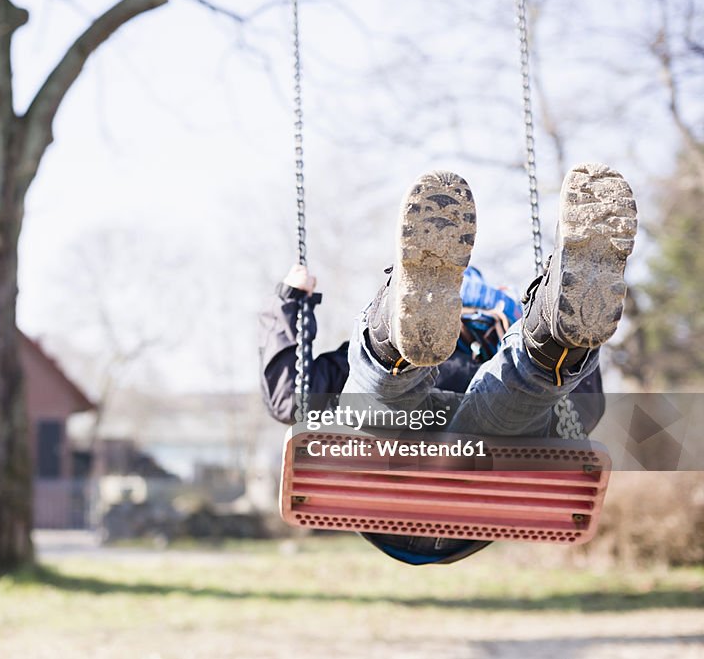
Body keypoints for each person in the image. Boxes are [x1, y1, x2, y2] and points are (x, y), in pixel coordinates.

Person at [259, 163, 636, 565]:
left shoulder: (346, 368)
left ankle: (396, 344)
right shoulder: (498, 340)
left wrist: (289, 303)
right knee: (521, 393)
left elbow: (289, 401)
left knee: (377, 396)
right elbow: (584, 413)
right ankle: (550, 338)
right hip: (481, 506)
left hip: (386, 508)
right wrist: (559, 334)